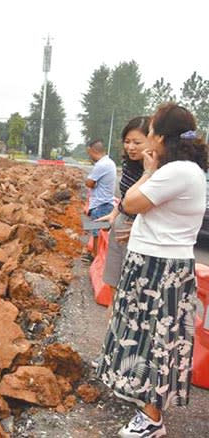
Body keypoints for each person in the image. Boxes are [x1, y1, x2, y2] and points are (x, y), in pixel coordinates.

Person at [96, 103, 208, 437]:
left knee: (157, 339)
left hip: (159, 268)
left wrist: (147, 171)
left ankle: (152, 419)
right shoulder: (181, 169)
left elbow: (130, 203)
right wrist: (141, 230)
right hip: (152, 261)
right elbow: (162, 215)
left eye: (152, 131)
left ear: (160, 135)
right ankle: (143, 401)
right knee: (145, 335)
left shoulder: (176, 171)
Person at [97, 116, 149, 293]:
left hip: (137, 234)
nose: (131, 147)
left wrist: (138, 225)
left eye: (137, 142)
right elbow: (126, 197)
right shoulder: (129, 165)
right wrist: (114, 213)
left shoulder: (157, 172)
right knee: (113, 283)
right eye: (127, 141)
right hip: (121, 226)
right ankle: (111, 318)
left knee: (129, 290)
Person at [85, 140, 117, 260]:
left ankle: (96, 259)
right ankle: (95, 256)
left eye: (89, 153)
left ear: (93, 151)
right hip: (104, 203)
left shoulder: (101, 165)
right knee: (98, 232)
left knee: (98, 234)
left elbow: (89, 183)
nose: (89, 156)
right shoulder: (109, 162)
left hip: (101, 205)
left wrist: (90, 182)